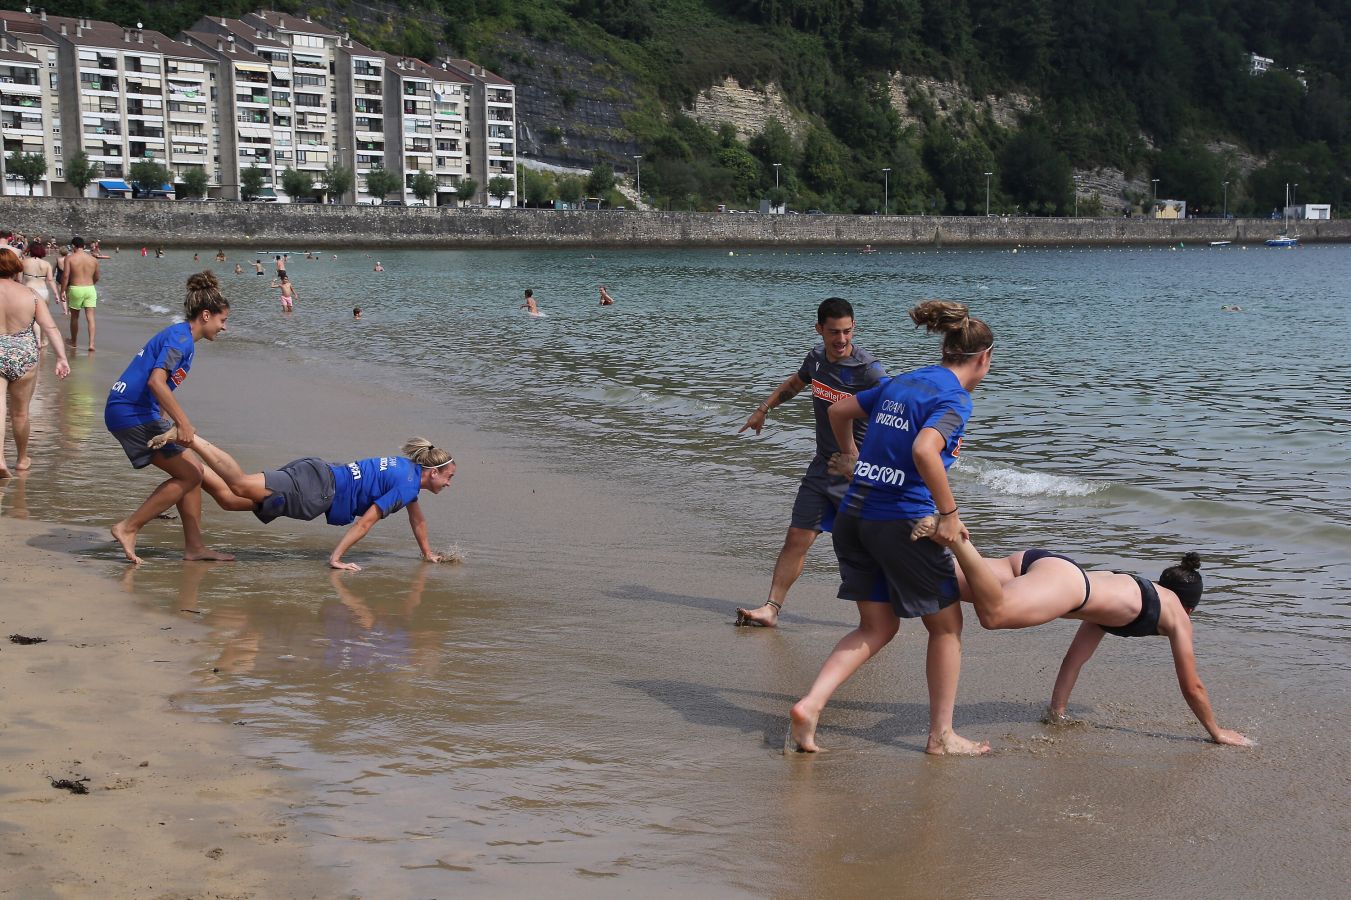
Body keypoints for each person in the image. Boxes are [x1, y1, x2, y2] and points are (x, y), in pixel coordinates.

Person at [788, 300, 994, 755]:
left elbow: (840, 411)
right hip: (899, 520)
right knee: (946, 627)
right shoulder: (954, 398)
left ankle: (810, 705)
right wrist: (950, 515)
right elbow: (925, 450)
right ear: (984, 358)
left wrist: (851, 459)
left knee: (875, 627)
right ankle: (941, 736)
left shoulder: (904, 381)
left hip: (855, 515)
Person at [939, 537, 1253, 747]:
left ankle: (906, 547)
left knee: (937, 574)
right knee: (993, 617)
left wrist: (1056, 712)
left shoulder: (1127, 594)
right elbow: (1193, 685)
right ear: (1191, 607)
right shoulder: (1178, 615)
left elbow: (1075, 659)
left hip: (1043, 565)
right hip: (1064, 583)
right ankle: (956, 536)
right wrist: (1216, 731)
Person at [734, 297, 885, 627]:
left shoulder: (869, 370)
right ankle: (771, 608)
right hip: (822, 468)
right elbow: (797, 382)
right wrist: (764, 409)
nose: (841, 340)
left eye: (847, 331)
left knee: (871, 548)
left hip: (857, 476)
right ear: (819, 329)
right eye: (833, 332)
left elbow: (894, 415)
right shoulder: (817, 359)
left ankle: (882, 620)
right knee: (796, 538)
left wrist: (864, 464)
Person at [148, 431, 456, 572]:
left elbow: (417, 518)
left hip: (318, 476)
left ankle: (197, 470)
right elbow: (366, 522)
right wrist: (336, 558)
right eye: (449, 477)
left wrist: (427, 553)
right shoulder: (406, 484)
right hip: (315, 489)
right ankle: (191, 439)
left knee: (230, 500)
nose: (450, 484)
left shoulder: (407, 474)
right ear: (433, 472)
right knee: (240, 484)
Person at [104, 271, 236, 565]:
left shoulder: (181, 337)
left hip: (133, 411)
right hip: (129, 412)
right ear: (205, 315)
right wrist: (184, 424)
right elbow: (155, 382)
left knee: (193, 472)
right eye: (222, 320)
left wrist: (166, 423)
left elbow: (157, 389)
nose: (224, 327)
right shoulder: (181, 341)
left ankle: (194, 547)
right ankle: (128, 528)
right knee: (190, 474)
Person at [0, 251, 70, 477]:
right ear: (16, 269)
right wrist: (61, 357)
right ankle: (21, 459)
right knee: (20, 413)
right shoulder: (31, 295)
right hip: (24, 354)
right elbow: (49, 328)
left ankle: (0, 458)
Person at [61, 236, 100, 352]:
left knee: (74, 317)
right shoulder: (93, 259)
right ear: (84, 246)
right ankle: (91, 344)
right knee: (91, 318)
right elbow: (97, 276)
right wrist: (90, 283)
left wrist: (62, 290)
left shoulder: (70, 258)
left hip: (76, 288)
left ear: (73, 246)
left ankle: (74, 341)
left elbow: (66, 276)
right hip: (90, 288)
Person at [21, 243, 61, 346]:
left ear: (31, 250)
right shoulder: (46, 264)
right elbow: (51, 280)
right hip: (43, 291)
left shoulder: (24, 262)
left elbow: (19, 279)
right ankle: (44, 340)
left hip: (29, 290)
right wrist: (57, 294)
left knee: (32, 317)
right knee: (43, 316)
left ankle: (37, 340)